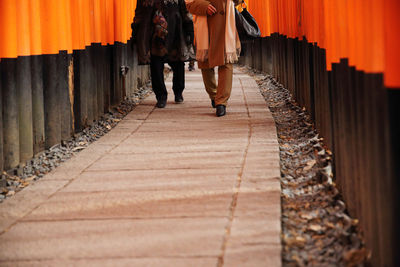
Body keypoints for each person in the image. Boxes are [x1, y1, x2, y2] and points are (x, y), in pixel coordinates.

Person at [132, 0, 195, 108]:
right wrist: (135, 31)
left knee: (178, 64)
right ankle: (161, 96)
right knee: (156, 65)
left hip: (174, 31)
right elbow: (139, 13)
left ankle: (178, 91)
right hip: (154, 35)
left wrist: (189, 28)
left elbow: (184, 10)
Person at [186, 0, 242, 116]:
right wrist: (204, 6)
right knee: (205, 64)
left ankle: (221, 102)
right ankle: (214, 94)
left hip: (225, 24)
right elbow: (188, 3)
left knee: (226, 62)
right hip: (204, 23)